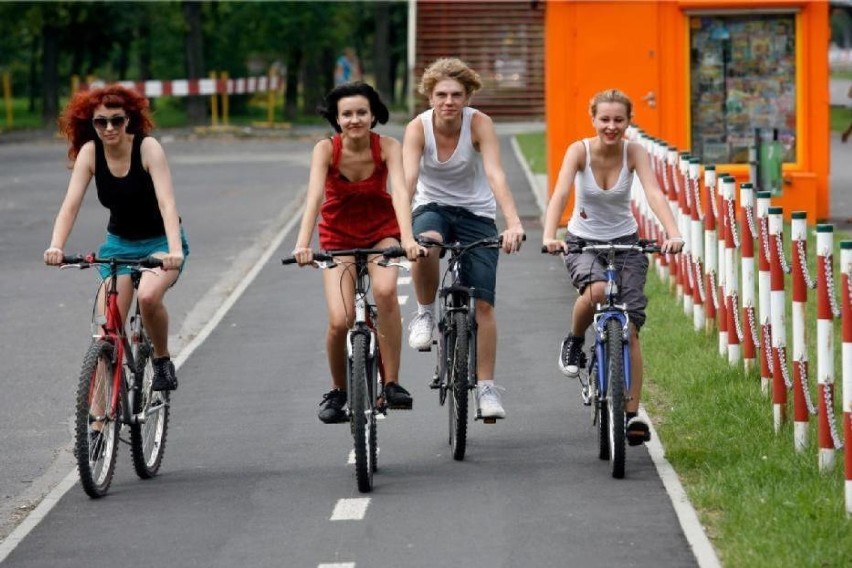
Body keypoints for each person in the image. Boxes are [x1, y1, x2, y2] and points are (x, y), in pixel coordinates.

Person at [541, 88, 683, 445]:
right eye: (604, 119)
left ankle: (631, 415)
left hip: (626, 244)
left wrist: (673, 232)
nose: (611, 126)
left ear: (628, 122)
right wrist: (549, 234)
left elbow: (653, 192)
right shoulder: (579, 151)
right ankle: (574, 340)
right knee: (598, 291)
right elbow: (560, 193)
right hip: (583, 242)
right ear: (593, 119)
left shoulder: (633, 151)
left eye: (619, 120)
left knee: (631, 327)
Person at [44, 84, 189, 392]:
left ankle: (162, 360)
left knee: (148, 297)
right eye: (101, 122)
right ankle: (97, 429)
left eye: (117, 120)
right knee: (106, 327)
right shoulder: (90, 153)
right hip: (119, 245)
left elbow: (167, 203)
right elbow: (70, 206)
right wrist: (56, 245)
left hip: (160, 242)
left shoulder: (148, 148)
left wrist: (174, 249)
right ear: (91, 124)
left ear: (129, 120)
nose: (109, 128)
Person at [291, 82, 422, 424]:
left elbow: (399, 196)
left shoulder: (388, 147)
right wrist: (302, 244)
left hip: (382, 231)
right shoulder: (326, 150)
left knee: (385, 290)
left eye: (361, 112)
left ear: (373, 114)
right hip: (338, 235)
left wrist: (407, 238)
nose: (354, 120)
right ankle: (338, 390)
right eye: (346, 114)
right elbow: (314, 198)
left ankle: (392, 382)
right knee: (340, 319)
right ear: (336, 119)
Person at [403, 57, 525, 420]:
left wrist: (513, 222)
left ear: (468, 96)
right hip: (432, 208)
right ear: (429, 97)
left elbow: (496, 174)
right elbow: (408, 180)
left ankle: (486, 388)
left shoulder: (480, 125)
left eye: (457, 94)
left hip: (476, 214)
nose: (449, 102)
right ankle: (424, 313)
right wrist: (398, 229)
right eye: (441, 94)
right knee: (426, 245)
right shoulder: (417, 129)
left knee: (483, 305)